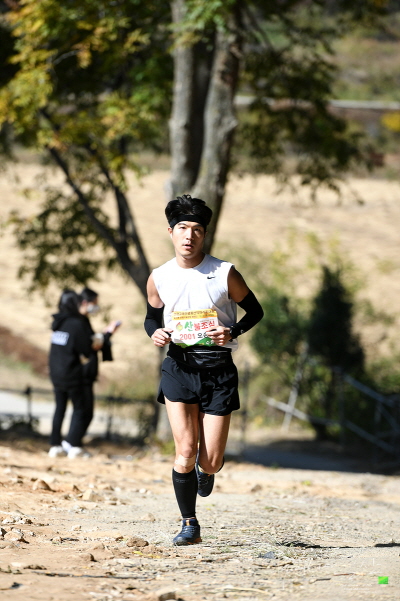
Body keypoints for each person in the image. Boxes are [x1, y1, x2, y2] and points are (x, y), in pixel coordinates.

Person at [144, 194, 264, 545]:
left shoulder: (224, 272)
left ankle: (206, 470)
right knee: (184, 450)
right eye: (182, 228)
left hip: (218, 370)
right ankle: (189, 524)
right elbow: (152, 316)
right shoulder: (159, 276)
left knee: (209, 460)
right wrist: (155, 332)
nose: (189, 235)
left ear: (204, 234)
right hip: (179, 367)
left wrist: (233, 331)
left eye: (197, 229)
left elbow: (255, 311)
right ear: (171, 232)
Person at [48, 287, 121, 458]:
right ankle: (73, 445)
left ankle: (55, 444)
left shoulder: (59, 322)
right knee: (83, 410)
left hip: (56, 373)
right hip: (73, 375)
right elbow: (87, 348)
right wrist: (107, 335)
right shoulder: (76, 323)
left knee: (60, 408)